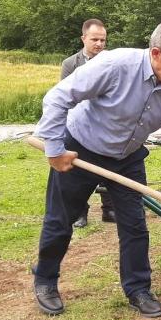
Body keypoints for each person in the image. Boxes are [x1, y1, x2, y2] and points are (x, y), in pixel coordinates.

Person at [32, 21, 161, 318]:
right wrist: (54, 150)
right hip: (81, 150)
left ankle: (138, 289)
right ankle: (45, 280)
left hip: (127, 158)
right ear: (156, 53)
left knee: (134, 226)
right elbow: (59, 97)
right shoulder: (114, 65)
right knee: (60, 220)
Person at [60, 18, 115, 227]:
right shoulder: (70, 64)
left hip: (105, 124)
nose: (99, 44)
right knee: (78, 170)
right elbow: (65, 94)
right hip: (79, 125)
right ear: (83, 38)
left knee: (107, 168)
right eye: (95, 39)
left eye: (103, 40)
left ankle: (109, 209)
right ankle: (79, 213)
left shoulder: (111, 62)